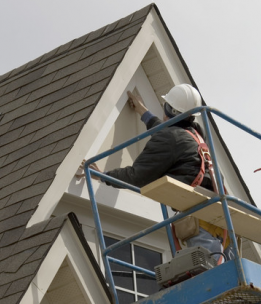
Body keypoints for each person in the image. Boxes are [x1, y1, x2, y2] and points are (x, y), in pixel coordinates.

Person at [84, 84, 228, 262]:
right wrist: (143, 112)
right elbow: (167, 132)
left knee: (209, 276)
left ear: (168, 108)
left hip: (199, 225)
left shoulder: (171, 138)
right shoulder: (195, 136)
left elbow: (137, 176)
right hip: (217, 221)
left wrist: (102, 175)